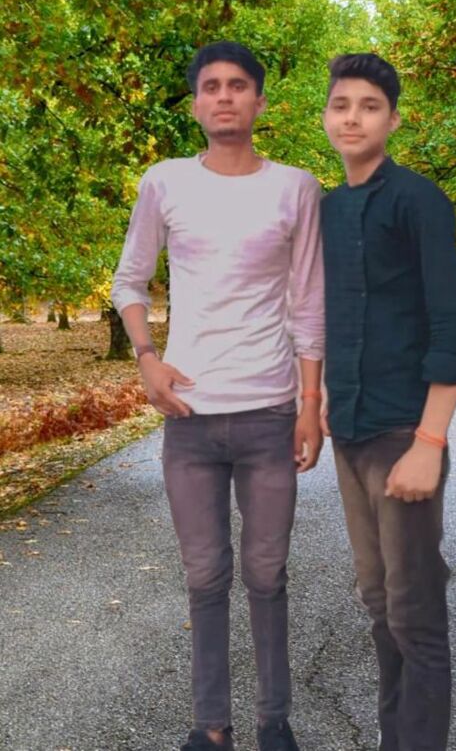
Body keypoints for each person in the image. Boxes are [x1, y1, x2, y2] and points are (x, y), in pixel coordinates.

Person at [111, 41, 324, 751]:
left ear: (259, 101)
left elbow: (309, 302)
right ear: (197, 103)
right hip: (191, 420)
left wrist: (311, 404)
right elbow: (129, 280)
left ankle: (274, 722)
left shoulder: (296, 187)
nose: (224, 96)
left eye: (237, 85)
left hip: (269, 413)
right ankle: (211, 727)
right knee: (205, 576)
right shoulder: (165, 182)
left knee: (266, 574)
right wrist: (147, 359)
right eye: (210, 86)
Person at [320, 53, 456, 751]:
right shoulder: (328, 209)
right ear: (326, 117)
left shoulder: (419, 200)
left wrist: (430, 442)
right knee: (378, 600)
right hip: (350, 432)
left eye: (369, 106)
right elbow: (327, 316)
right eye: (341, 104)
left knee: (415, 609)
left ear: (392, 119)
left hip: (403, 432)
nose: (352, 117)